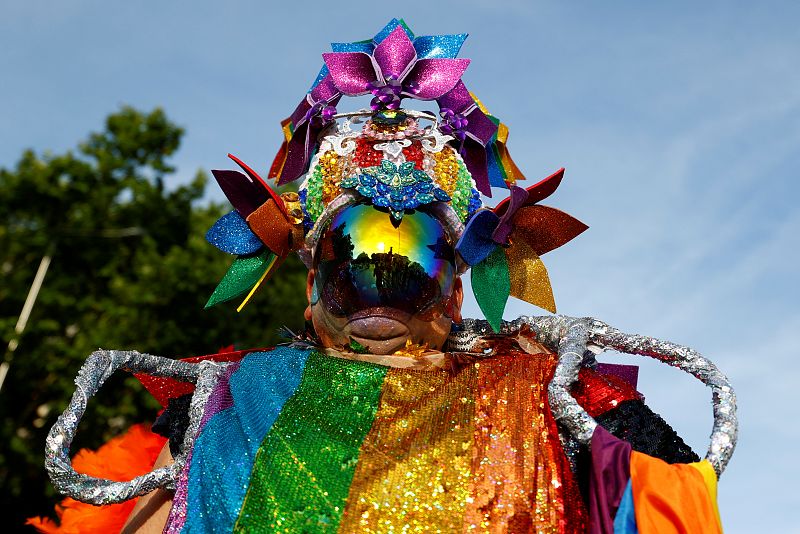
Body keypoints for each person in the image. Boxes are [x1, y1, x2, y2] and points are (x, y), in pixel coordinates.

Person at [45, 20, 736, 533]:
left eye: (412, 261)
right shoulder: (231, 400)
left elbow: (670, 499)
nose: (380, 284)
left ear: (456, 289)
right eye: (354, 257)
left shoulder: (549, 391)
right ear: (311, 283)